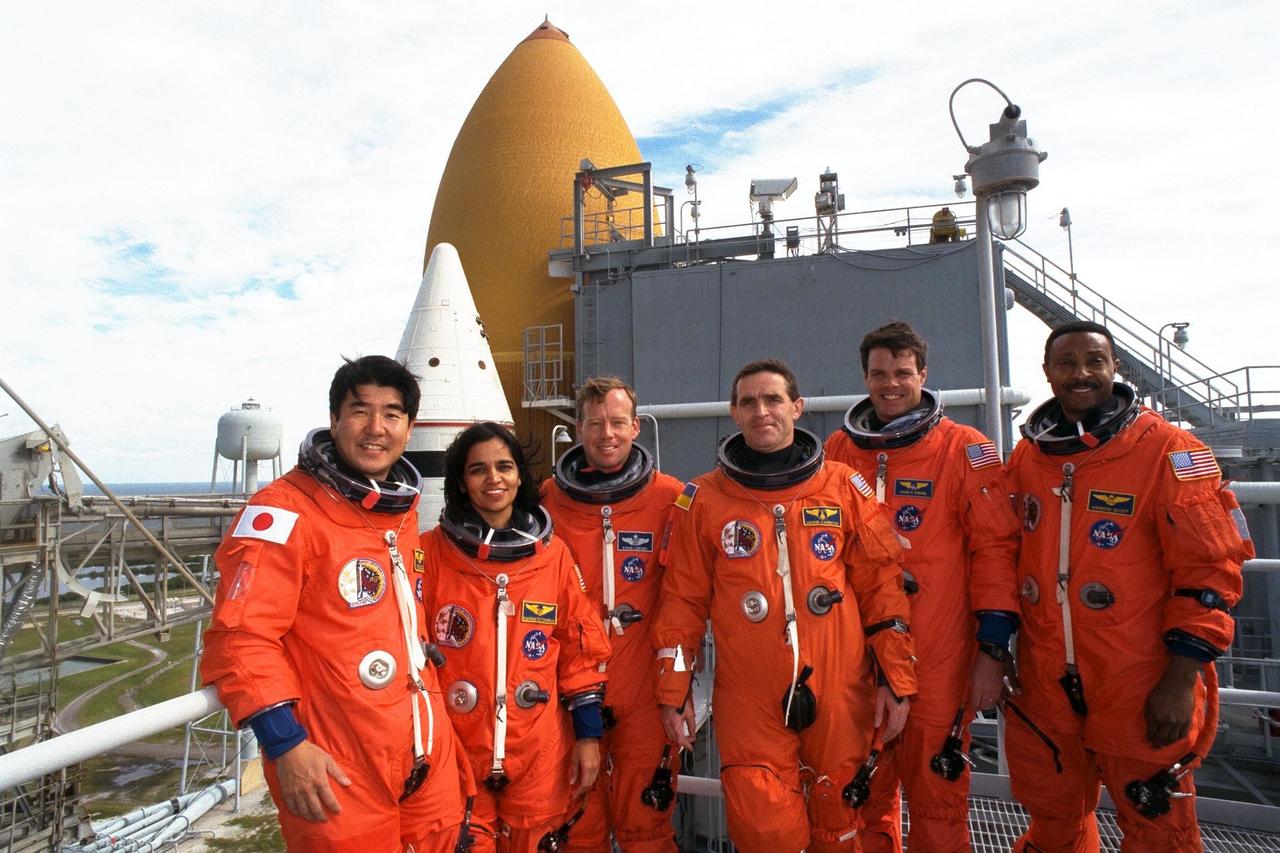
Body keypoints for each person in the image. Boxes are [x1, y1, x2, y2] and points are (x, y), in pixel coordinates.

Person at [201, 355, 467, 851]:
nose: (375, 428)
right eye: (359, 411)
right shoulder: (281, 511)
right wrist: (285, 744)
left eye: (391, 414)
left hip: (426, 752)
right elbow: (240, 639)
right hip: (337, 765)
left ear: (408, 427)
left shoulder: (399, 513)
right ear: (334, 420)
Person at [651, 358, 918, 852]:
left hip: (841, 690)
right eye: (749, 402)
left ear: (797, 407)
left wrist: (895, 680)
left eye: (773, 399)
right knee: (764, 829)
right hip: (749, 696)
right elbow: (682, 602)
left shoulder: (842, 486)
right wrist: (674, 689)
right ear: (733, 412)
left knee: (841, 821)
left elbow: (881, 587)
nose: (761, 411)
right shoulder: (702, 500)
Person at [1006, 321, 1250, 851]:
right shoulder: (1028, 457)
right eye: (1066, 363)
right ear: (1047, 374)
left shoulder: (1168, 450)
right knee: (1053, 818)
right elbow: (1002, 556)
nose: (1081, 374)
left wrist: (1179, 680)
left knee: (1157, 829)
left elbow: (1210, 575)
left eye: (1095, 361)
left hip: (1138, 679)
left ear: (1115, 368)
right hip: (1044, 679)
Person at [824, 321, 1021, 852]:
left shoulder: (964, 448)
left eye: (902, 373)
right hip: (857, 656)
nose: (890, 384)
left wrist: (991, 651)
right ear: (864, 377)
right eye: (878, 373)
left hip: (938, 655)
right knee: (859, 794)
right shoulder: (840, 448)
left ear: (924, 375)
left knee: (937, 802)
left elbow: (997, 551)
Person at [420, 422, 612, 851]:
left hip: (539, 747)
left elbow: (580, 651)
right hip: (455, 746)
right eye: (478, 469)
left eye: (504, 467)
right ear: (461, 482)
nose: (494, 479)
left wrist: (587, 737)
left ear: (520, 475)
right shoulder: (430, 553)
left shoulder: (553, 556)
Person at [540, 377, 685, 852]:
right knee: (576, 824)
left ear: (636, 427)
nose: (607, 434)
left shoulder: (673, 499)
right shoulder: (545, 502)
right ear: (578, 428)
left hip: (644, 684)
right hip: (568, 687)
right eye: (595, 423)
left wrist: (677, 687)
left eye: (618, 422)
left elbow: (689, 601)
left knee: (647, 820)